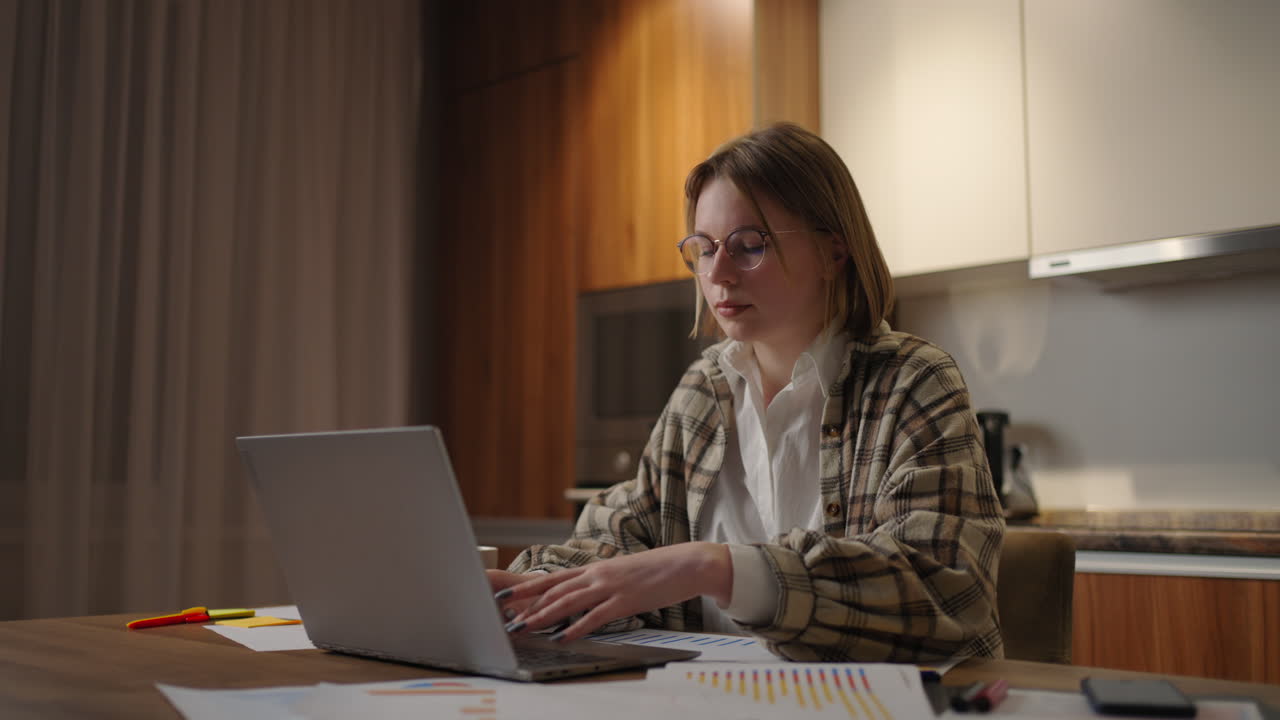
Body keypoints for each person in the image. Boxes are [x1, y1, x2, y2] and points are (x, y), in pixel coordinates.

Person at [489, 122, 1005, 662]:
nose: (719, 274)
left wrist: (716, 566)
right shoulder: (704, 390)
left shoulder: (914, 381)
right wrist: (527, 590)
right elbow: (624, 537)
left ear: (834, 252)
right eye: (704, 249)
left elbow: (944, 591)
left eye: (749, 246)